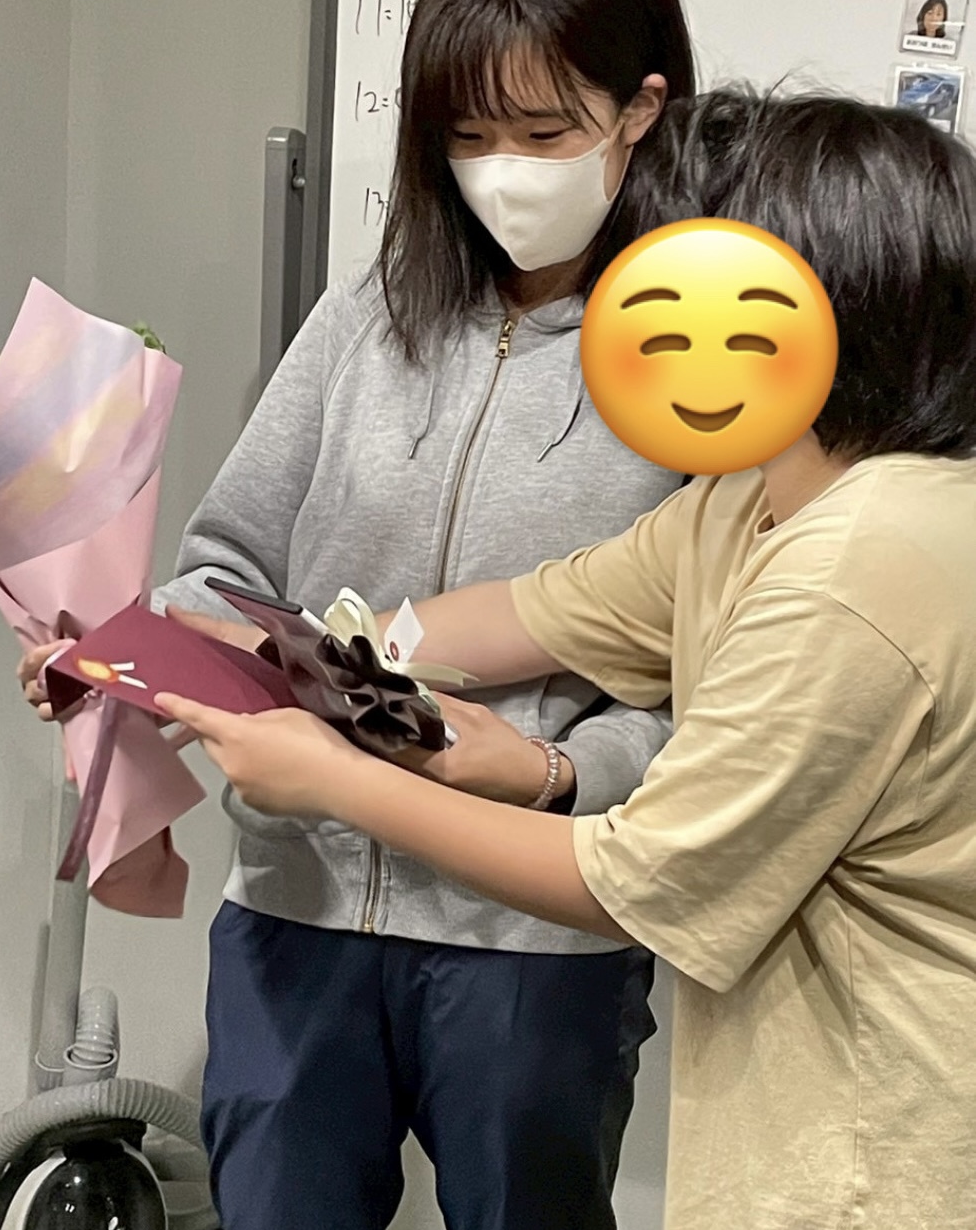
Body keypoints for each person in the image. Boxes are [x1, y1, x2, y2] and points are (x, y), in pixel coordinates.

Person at [159, 89, 976, 1230]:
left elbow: (630, 880)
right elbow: (531, 613)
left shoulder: (861, 562)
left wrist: (341, 775)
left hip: (873, 1156)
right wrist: (257, 648)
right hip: (791, 1125)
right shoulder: (744, 503)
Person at [21, 0, 696, 1230]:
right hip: (301, 904)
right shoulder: (369, 311)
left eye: (543, 131)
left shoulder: (701, 362)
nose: (500, 170)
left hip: (530, 934)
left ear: (639, 110)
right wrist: (122, 658)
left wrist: (562, 771)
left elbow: (707, 684)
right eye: (467, 134)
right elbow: (222, 568)